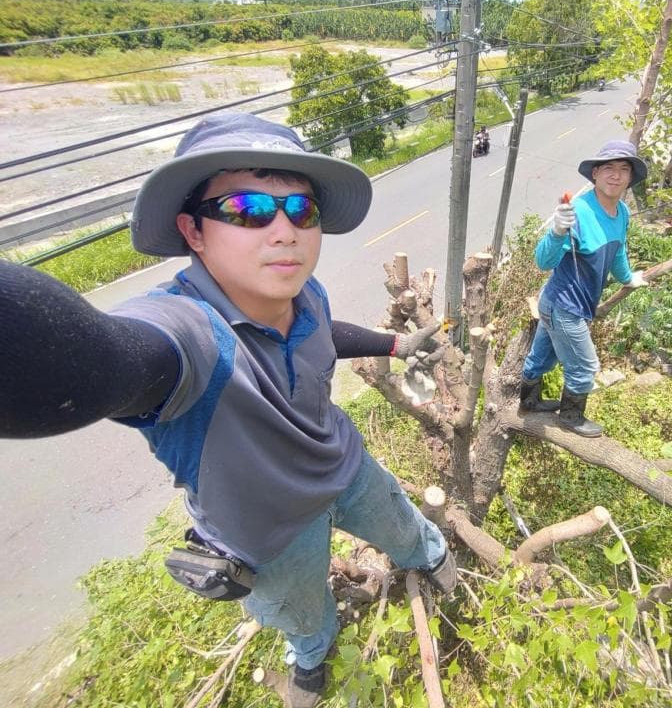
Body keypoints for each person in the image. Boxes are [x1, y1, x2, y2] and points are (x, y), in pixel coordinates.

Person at [0, 113, 456, 708]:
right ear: (192, 231)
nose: (285, 231)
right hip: (270, 534)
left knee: (408, 529)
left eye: (302, 210)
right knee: (301, 615)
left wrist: (393, 343)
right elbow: (89, 361)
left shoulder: (303, 292)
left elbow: (321, 332)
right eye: (247, 209)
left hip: (346, 470)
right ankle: (312, 657)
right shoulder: (185, 331)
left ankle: (434, 558)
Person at [518, 140, 648, 438]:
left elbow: (617, 251)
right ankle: (571, 416)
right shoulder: (578, 211)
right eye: (608, 168)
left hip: (559, 302)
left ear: (630, 177)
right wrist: (557, 231)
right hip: (564, 305)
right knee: (586, 365)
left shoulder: (622, 212)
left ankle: (529, 401)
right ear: (595, 174)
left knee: (543, 357)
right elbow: (543, 261)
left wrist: (628, 278)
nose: (615, 175)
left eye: (624, 169)